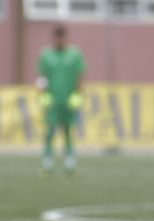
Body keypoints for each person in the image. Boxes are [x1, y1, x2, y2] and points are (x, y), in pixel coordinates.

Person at [36, 25, 86, 174]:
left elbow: (79, 76)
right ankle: (47, 158)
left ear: (65, 38)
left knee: (68, 129)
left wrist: (77, 95)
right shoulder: (46, 55)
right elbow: (41, 77)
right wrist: (43, 95)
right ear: (54, 38)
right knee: (50, 129)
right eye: (57, 37)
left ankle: (69, 158)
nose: (59, 40)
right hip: (52, 99)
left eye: (62, 37)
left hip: (68, 99)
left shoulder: (74, 55)